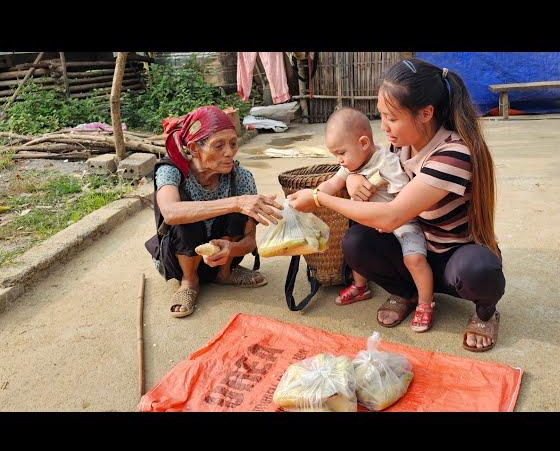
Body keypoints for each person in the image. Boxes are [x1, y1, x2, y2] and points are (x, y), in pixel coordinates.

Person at [288, 58, 505, 352]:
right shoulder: (399, 146)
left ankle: (486, 314)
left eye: (392, 117)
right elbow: (371, 167)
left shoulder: (454, 154)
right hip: (413, 249)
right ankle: (407, 293)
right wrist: (352, 178)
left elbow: (391, 216)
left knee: (479, 269)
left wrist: (318, 197)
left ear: (426, 113)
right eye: (381, 116)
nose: (384, 127)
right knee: (356, 242)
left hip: (453, 259)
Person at [144, 105, 283, 318]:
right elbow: (171, 212)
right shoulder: (171, 171)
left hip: (223, 257)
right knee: (186, 215)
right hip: (179, 259)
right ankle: (189, 282)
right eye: (219, 146)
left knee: (239, 213)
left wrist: (231, 248)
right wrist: (236, 202)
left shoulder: (241, 178)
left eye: (233, 143)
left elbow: (250, 242)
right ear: (194, 149)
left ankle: (224, 273)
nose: (229, 152)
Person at [313, 107, 435, 332]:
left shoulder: (386, 162)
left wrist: (386, 214)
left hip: (402, 223)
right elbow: (332, 184)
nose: (339, 160)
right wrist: (313, 196)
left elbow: (404, 199)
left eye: (341, 153)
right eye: (335, 155)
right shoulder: (349, 166)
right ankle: (360, 286)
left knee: (415, 260)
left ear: (363, 143)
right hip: (374, 225)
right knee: (353, 247)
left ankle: (425, 303)